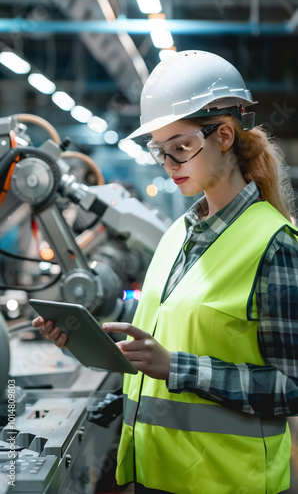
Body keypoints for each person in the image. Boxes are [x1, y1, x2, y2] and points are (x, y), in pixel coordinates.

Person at [33, 50, 298, 494]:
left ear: (225, 135)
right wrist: (88, 337)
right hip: (157, 476)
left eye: (181, 147)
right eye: (160, 151)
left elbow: (290, 387)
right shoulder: (177, 234)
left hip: (229, 482)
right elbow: (173, 332)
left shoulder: (275, 246)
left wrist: (176, 368)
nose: (171, 164)